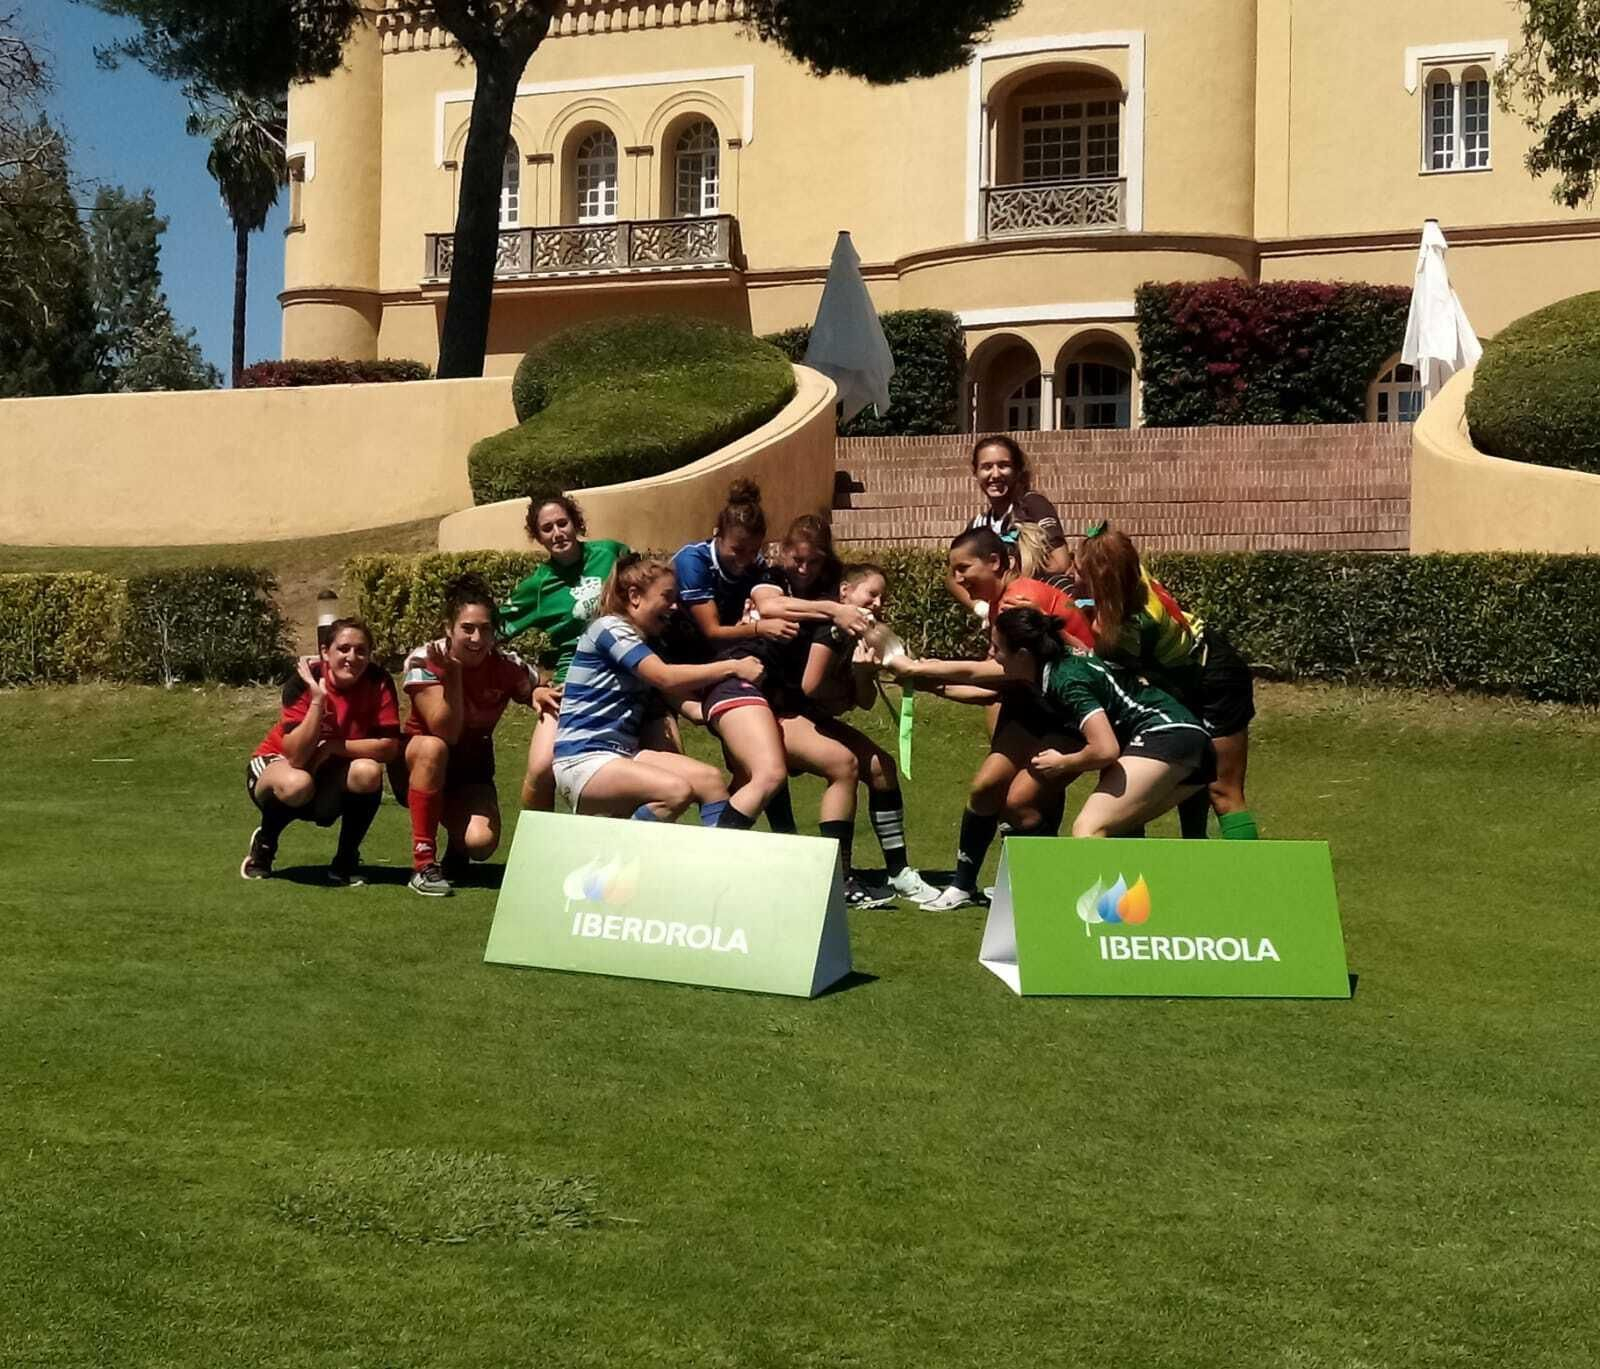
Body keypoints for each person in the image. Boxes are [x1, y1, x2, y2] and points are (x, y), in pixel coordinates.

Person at [667, 480, 870, 831]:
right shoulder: (693, 561)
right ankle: (702, 858)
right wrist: (761, 627)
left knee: (757, 774)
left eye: (752, 552)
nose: (744, 562)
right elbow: (715, 631)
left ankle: (786, 850)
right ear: (717, 534)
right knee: (762, 774)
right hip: (687, 673)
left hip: (734, 673)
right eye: (737, 551)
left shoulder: (758, 567)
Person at [771, 544, 943, 907]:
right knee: (844, 765)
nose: (878, 603)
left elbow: (863, 701)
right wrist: (845, 690)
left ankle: (898, 873)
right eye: (872, 593)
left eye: (883, 597)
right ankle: (839, 878)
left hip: (811, 716)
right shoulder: (831, 631)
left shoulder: (863, 636)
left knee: (882, 767)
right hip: (778, 715)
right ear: (845, 593)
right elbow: (811, 686)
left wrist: (863, 675)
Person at [1071, 521, 1259, 841]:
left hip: (1215, 679)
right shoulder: (1133, 575)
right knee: (1189, 782)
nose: (1071, 575)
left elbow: (1095, 654)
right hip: (1185, 677)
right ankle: (1191, 861)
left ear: (1101, 582)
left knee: (1222, 791)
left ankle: (1252, 883)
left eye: (1077, 571)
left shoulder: (1129, 627)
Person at [554, 555, 760, 822]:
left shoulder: (645, 645)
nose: (675, 606)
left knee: (710, 781)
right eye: (667, 596)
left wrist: (743, 708)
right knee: (675, 791)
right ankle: (620, 851)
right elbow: (665, 677)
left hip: (621, 756)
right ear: (635, 596)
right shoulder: (608, 629)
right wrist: (733, 666)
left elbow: (694, 710)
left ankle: (715, 862)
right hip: (583, 760)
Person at [990, 605, 1217, 836]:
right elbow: (976, 678)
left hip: (1167, 734)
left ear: (1022, 656)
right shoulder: (1063, 660)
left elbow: (1105, 749)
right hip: (1187, 737)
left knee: (1088, 830)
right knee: (1118, 832)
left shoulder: (1067, 681)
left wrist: (1063, 763)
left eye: (996, 648)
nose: (990, 654)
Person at [398, 574, 552, 897]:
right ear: (448, 628)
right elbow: (447, 731)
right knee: (434, 747)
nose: (477, 638)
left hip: (472, 769)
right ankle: (424, 864)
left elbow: (537, 685)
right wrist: (453, 675)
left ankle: (458, 849)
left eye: (485, 629)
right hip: (419, 763)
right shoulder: (424, 660)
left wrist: (537, 693)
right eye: (467, 628)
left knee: (480, 843)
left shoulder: (505, 665)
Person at [241, 618, 401, 885]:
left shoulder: (378, 680)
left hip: (331, 769)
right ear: (326, 652)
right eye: (344, 649)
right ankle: (265, 846)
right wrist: (317, 700)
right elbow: (296, 757)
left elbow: (389, 747)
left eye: (361, 650)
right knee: (297, 783)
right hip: (279, 765)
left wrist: (334, 747)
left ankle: (345, 860)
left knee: (368, 772)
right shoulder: (306, 679)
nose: (352, 657)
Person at [501, 491, 630, 811]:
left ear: (576, 524)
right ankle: (536, 849)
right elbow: (487, 633)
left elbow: (647, 593)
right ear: (539, 537)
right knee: (541, 767)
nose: (558, 533)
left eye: (563, 523)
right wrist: (532, 686)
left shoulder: (612, 553)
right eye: (547, 529)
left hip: (626, 671)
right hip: (569, 682)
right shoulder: (538, 586)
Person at [949, 434, 1068, 611]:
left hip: (1038, 615)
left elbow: (1061, 563)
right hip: (1003, 621)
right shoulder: (979, 524)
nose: (995, 474)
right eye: (987, 467)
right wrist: (982, 608)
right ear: (975, 472)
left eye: (1004, 466)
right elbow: (952, 577)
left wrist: (1018, 581)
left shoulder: (1033, 505)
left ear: (1018, 470)